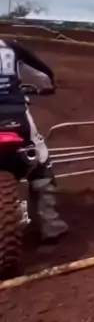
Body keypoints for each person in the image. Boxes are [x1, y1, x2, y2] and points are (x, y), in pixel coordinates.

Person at [0, 39, 67, 240]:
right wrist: (49, 85)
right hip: (15, 113)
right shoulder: (10, 46)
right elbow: (43, 73)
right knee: (40, 157)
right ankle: (50, 224)